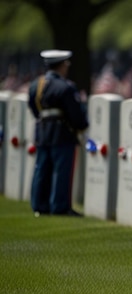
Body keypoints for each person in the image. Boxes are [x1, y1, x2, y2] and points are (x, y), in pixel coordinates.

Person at [27, 50, 89, 217]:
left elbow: (34, 108)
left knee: (42, 169)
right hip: (62, 134)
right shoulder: (66, 87)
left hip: (43, 133)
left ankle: (40, 205)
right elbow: (75, 114)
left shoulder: (36, 85)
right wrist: (82, 125)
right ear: (62, 65)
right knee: (61, 171)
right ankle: (60, 206)